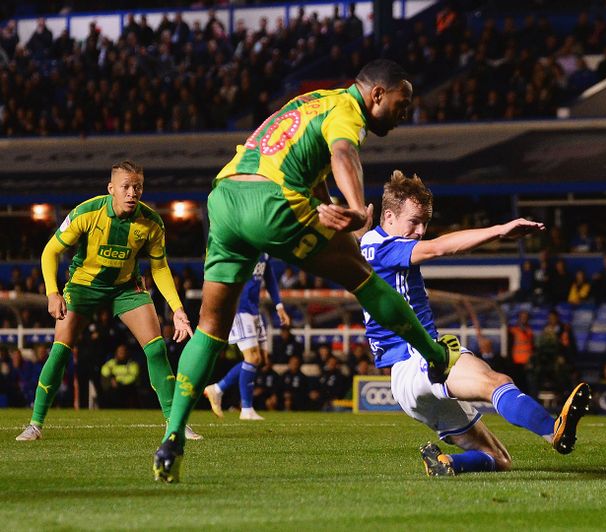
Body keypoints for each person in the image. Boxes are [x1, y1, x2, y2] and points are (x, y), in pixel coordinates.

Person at [153, 60, 461, 483]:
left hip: (225, 198)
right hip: (270, 200)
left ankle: (173, 437)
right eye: (401, 103)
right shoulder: (347, 111)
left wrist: (327, 200)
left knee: (210, 326)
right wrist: (355, 207)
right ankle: (434, 354)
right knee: (363, 275)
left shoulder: (310, 102)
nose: (404, 113)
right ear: (376, 95)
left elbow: (308, 162)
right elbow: (342, 152)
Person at [360, 171, 591, 476]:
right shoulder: (386, 246)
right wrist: (499, 230)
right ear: (388, 217)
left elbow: (363, 243)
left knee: (498, 458)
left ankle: (447, 464)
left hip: (407, 388)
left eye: (425, 223)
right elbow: (439, 248)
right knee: (497, 383)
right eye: (413, 222)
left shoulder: (370, 242)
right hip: (421, 358)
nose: (419, 231)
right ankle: (554, 429)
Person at [16, 161, 199, 442]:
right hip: (83, 288)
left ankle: (175, 424)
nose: (132, 192)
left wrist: (177, 309)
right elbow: (50, 251)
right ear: (111, 189)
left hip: (126, 289)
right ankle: (35, 424)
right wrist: (52, 292)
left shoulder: (151, 222)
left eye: (137, 187)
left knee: (156, 348)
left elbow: (160, 268)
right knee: (61, 350)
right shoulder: (87, 212)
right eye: (125, 187)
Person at [203, 254, 290, 421]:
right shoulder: (245, 243)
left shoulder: (264, 250)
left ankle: (218, 389)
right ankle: (246, 409)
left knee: (261, 359)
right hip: (239, 309)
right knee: (252, 357)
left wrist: (279, 306)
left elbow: (269, 276)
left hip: (253, 309)